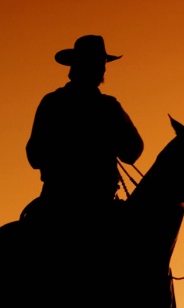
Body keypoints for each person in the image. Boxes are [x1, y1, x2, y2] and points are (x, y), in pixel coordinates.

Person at [26, 35, 143, 217]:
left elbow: (34, 155)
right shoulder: (109, 107)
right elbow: (132, 151)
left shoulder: (52, 103)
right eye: (99, 62)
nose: (102, 68)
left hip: (55, 202)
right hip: (97, 204)